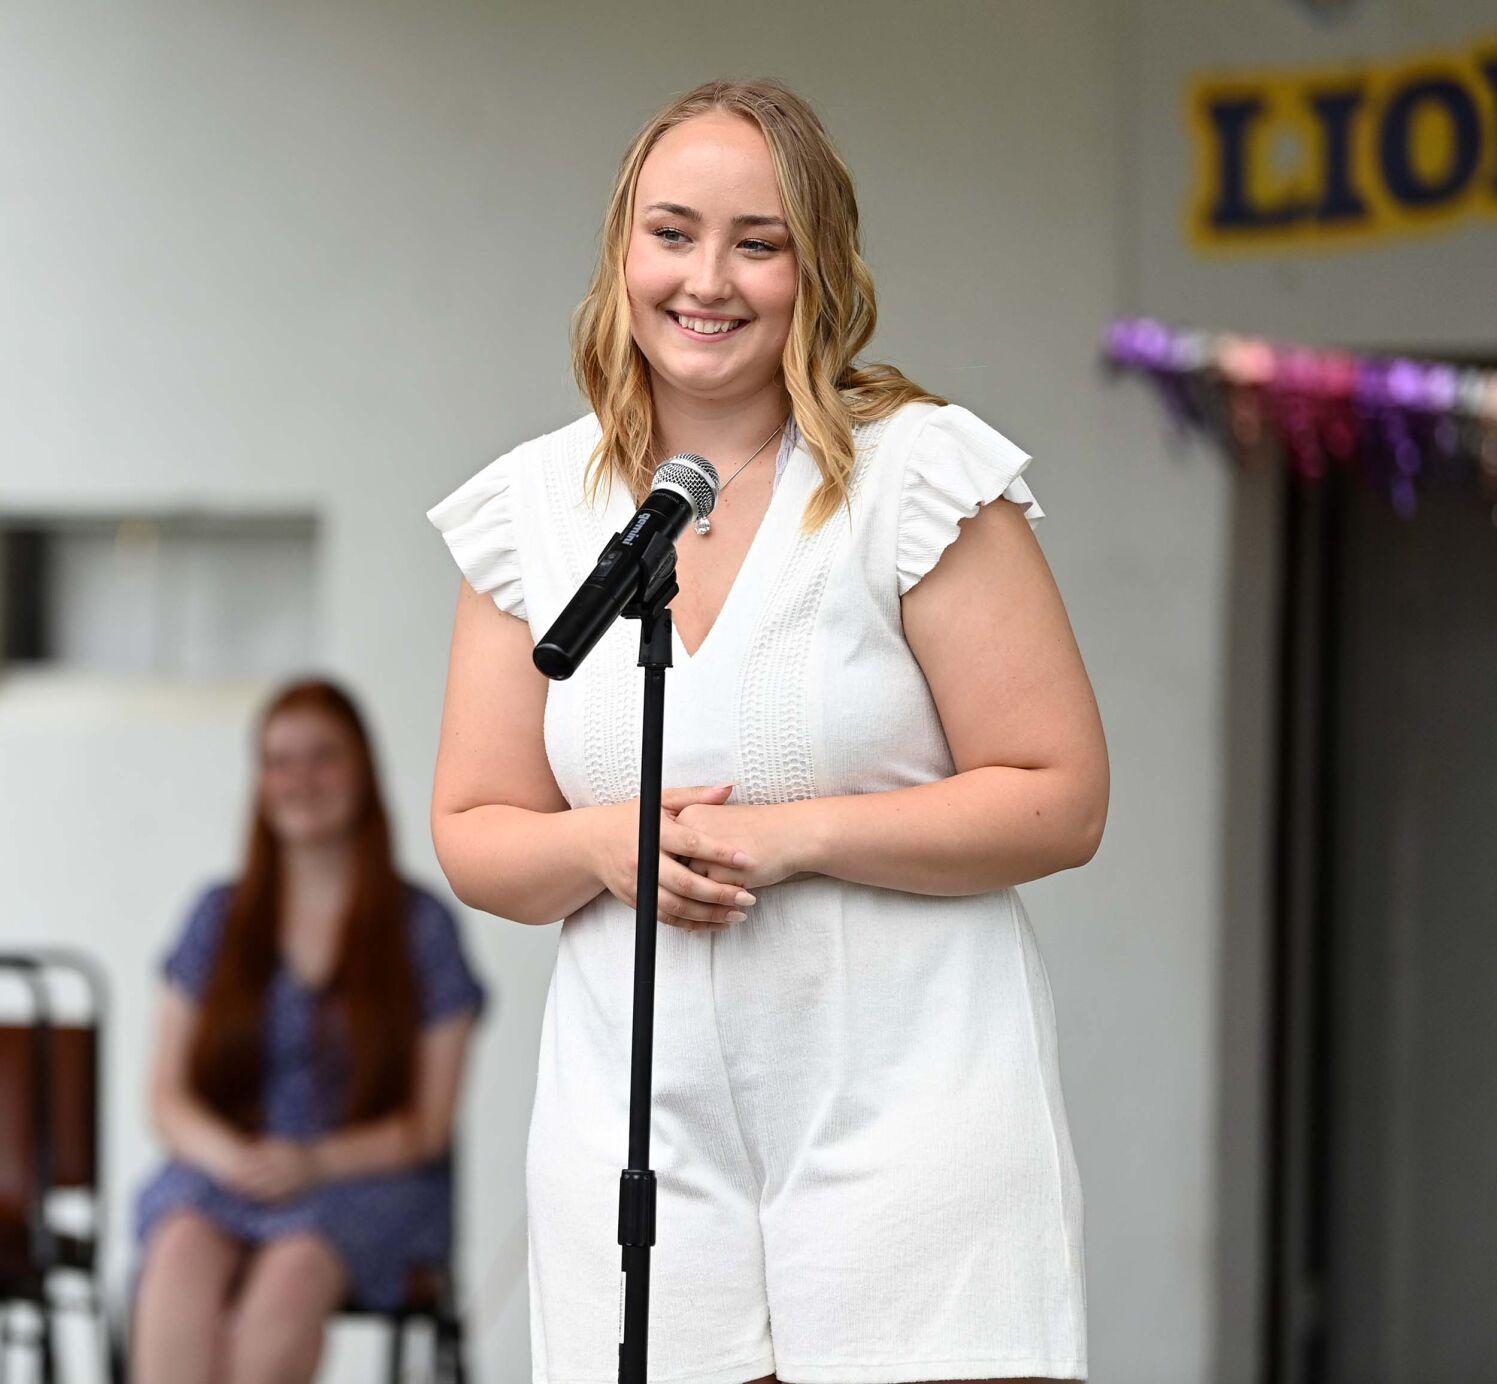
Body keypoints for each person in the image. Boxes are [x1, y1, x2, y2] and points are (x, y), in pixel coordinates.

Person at [427, 78, 1107, 1384]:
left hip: (910, 1115)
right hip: (639, 1134)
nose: (708, 279)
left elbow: (1060, 795)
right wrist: (604, 848)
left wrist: (789, 837)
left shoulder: (916, 473)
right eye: (673, 232)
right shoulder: (534, 510)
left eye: (758, 241)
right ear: (623, 250)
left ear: (818, 268)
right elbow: (473, 830)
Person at [131, 678, 486, 1384]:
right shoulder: (218, 916)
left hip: (361, 1177)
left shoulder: (421, 929)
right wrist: (233, 1159)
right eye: (278, 760)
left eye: (322, 757)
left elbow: (426, 1125)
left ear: (362, 772)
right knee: (177, 1254)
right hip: (231, 1164)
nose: (300, 780)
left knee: (290, 1279)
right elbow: (166, 1098)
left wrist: (314, 1163)